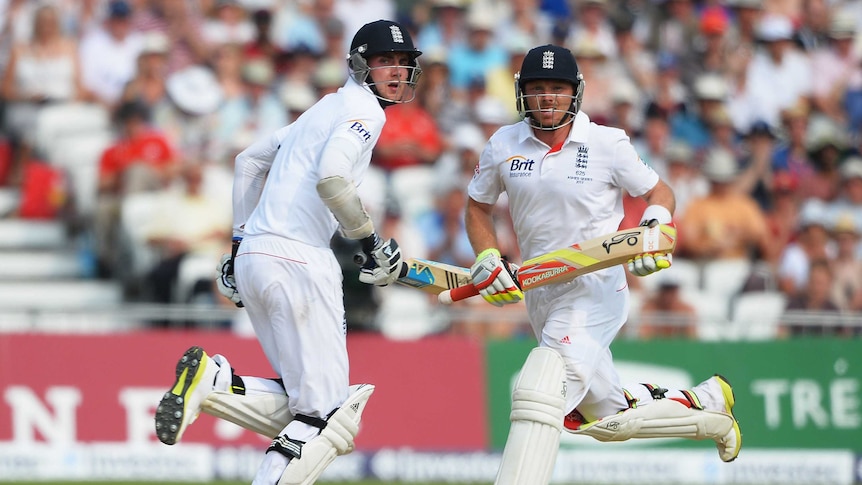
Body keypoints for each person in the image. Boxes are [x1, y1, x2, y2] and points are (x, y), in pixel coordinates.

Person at [152, 19, 421, 485]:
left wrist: (238, 243)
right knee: (329, 413)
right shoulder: (366, 113)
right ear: (360, 65)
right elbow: (333, 178)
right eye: (384, 62)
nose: (396, 71)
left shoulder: (323, 107)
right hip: (299, 258)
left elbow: (248, 161)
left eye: (403, 63)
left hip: (256, 255)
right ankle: (216, 388)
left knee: (305, 404)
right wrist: (370, 242)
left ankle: (218, 385)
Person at [463, 44, 742, 483]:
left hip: (595, 288)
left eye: (557, 89)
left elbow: (660, 193)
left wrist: (655, 223)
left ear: (575, 93)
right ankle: (707, 407)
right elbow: (477, 208)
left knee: (542, 388)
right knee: (605, 419)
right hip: (538, 290)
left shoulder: (606, 143)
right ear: (522, 94)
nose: (547, 98)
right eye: (537, 89)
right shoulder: (503, 144)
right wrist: (487, 254)